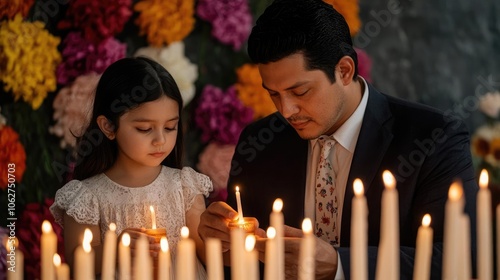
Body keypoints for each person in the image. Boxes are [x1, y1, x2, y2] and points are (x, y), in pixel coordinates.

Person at [197, 0, 478, 279]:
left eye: (300, 91)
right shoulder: (259, 142)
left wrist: (340, 264)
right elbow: (244, 262)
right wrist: (221, 242)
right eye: (274, 94)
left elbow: (459, 259)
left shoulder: (434, 137)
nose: (286, 110)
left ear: (344, 70)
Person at [50, 57, 212, 279]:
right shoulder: (87, 197)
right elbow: (79, 264)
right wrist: (117, 248)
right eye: (145, 129)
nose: (160, 140)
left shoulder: (184, 187)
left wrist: (223, 236)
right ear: (108, 126)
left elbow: (208, 252)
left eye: (170, 127)